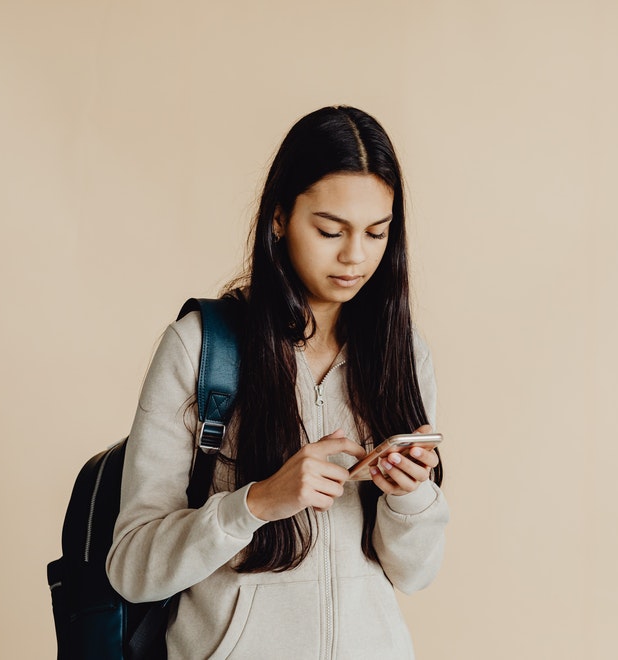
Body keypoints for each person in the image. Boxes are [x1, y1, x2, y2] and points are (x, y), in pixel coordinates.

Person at [105, 106, 449, 660]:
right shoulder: (201, 347)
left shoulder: (401, 354)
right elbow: (132, 567)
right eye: (330, 230)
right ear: (279, 218)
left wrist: (410, 498)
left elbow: (414, 574)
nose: (354, 256)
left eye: (376, 232)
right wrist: (257, 503)